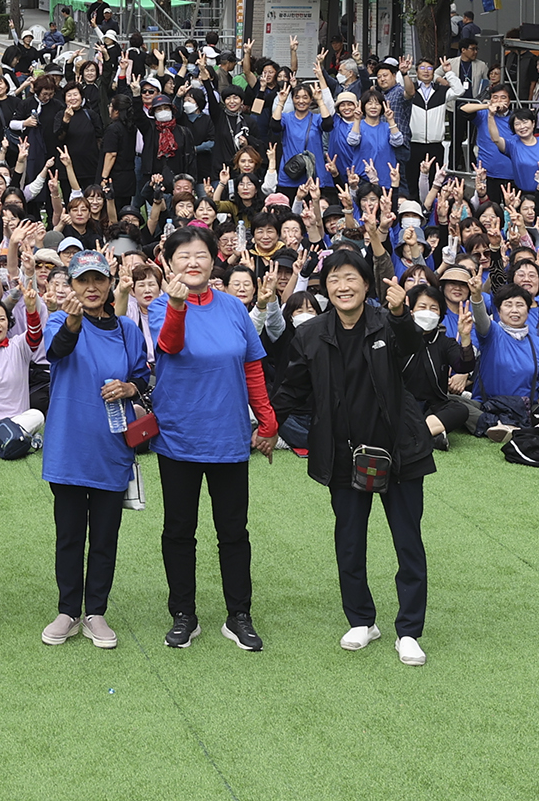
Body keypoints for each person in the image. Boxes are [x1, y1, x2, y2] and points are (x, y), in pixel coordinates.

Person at [270, 250, 434, 666]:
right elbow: (292, 388)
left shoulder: (389, 322)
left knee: (408, 542)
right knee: (349, 541)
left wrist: (401, 315)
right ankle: (361, 620)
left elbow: (415, 359)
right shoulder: (311, 334)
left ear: (365, 284)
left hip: (399, 452)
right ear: (324, 288)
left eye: (350, 278)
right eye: (334, 280)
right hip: (342, 454)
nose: (342, 287)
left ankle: (409, 631)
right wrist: (269, 426)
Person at [148, 225, 277, 651]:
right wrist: (177, 305)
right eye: (183, 256)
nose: (193, 262)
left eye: (200, 254)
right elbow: (169, 345)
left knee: (233, 531)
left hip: (228, 437)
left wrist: (267, 421)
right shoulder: (160, 306)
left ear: (213, 260)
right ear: (169, 262)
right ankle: (183, 614)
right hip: (179, 438)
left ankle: (239, 614)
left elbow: (252, 367)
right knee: (179, 530)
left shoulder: (234, 307)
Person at [39, 250, 148, 649]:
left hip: (111, 448)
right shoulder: (59, 320)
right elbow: (57, 350)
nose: (91, 287)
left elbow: (143, 376)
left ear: (109, 284)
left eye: (98, 280)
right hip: (68, 447)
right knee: (69, 535)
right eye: (82, 280)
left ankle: (96, 612)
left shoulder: (126, 330)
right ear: (70, 285)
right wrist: (71, 322)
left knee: (104, 537)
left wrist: (129, 387)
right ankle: (68, 611)